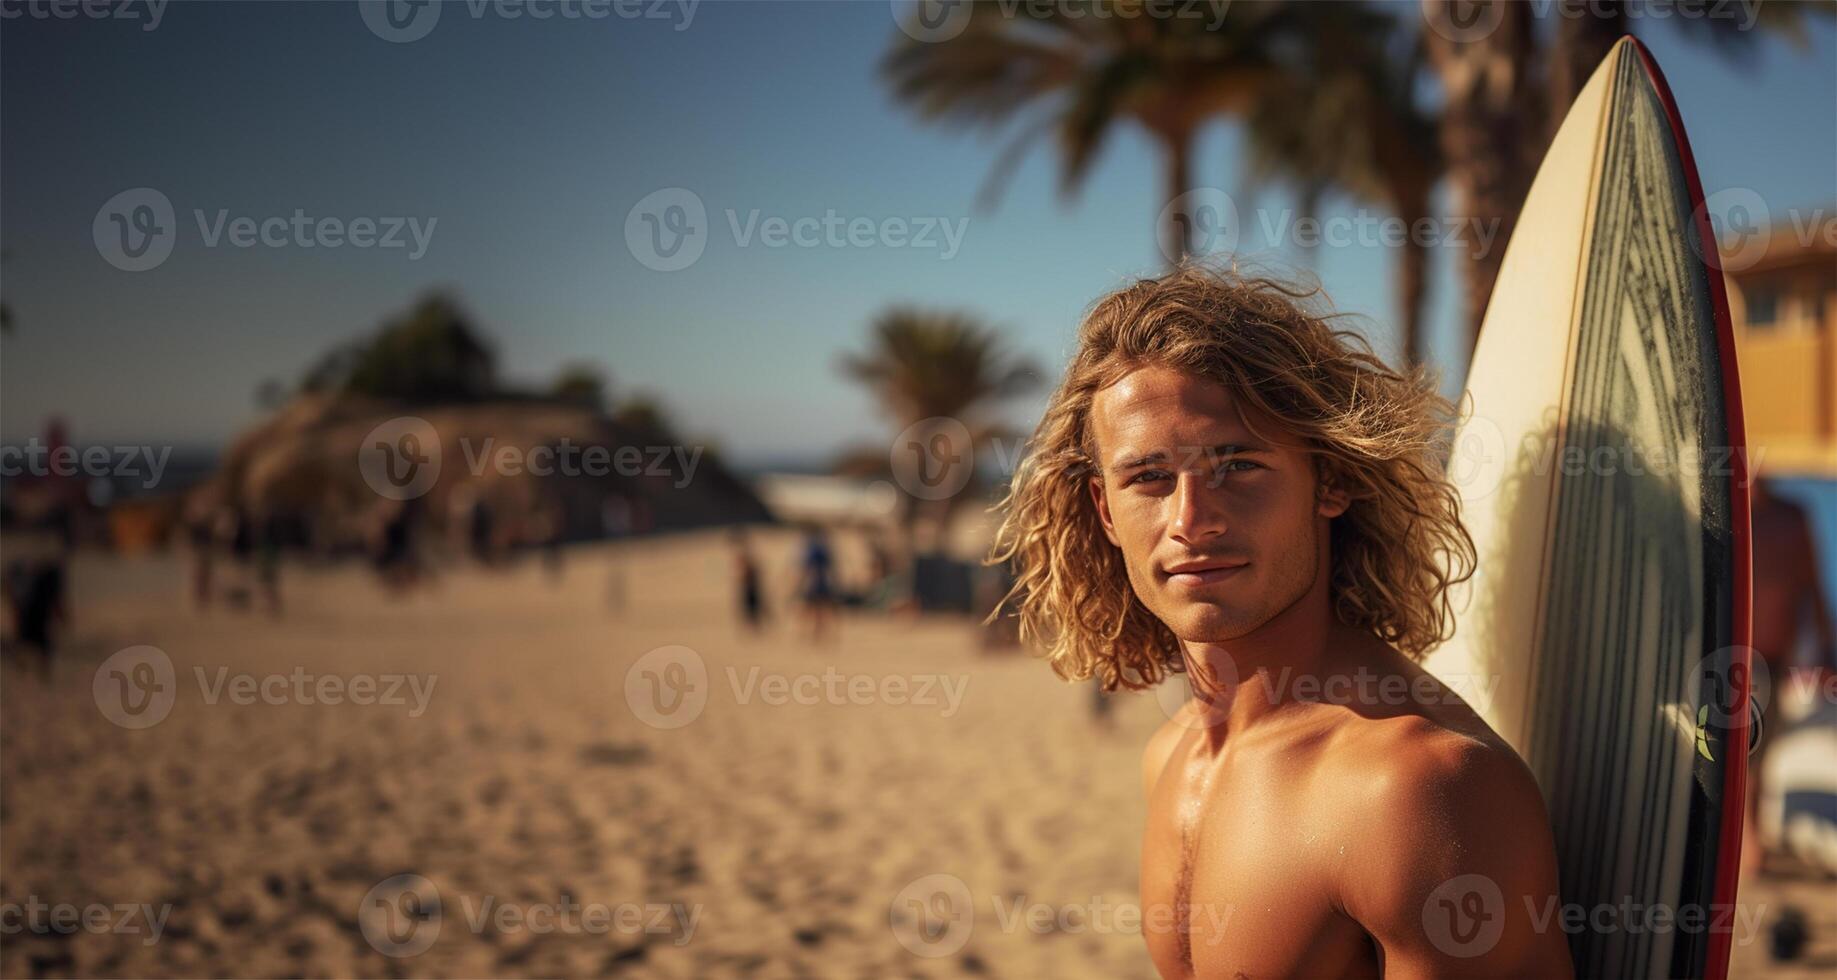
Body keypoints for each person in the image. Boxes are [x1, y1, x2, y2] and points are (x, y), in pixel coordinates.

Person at [990, 265, 1573, 978]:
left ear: (1331, 478)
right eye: (1148, 477)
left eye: (1236, 465)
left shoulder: (1416, 788)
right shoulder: (1171, 756)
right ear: (1105, 511)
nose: (1190, 520)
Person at [1744, 474, 1837, 875]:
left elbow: (1810, 587)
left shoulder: (1790, 518)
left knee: (1759, 751)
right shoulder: (1726, 515)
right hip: (1733, 658)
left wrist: (1828, 652)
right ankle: (1746, 840)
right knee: (1741, 751)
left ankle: (1751, 838)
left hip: (1773, 655)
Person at [797, 525, 837, 642]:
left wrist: (802, 582)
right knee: (818, 609)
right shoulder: (822, 549)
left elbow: (808, 568)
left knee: (815, 609)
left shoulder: (814, 550)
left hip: (815, 583)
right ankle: (815, 633)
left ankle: (813, 633)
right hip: (821, 583)